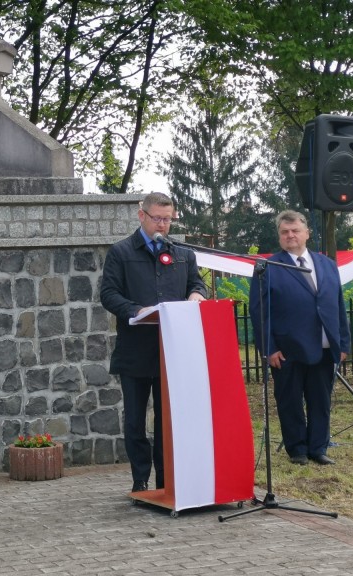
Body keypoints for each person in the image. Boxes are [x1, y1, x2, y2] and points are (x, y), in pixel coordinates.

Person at [100, 192, 207, 492]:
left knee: (167, 421)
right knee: (135, 421)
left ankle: (166, 479)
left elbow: (197, 283)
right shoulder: (121, 252)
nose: (162, 225)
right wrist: (136, 310)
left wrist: (197, 294)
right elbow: (108, 294)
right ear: (142, 215)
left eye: (167, 219)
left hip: (171, 351)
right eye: (157, 218)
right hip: (135, 351)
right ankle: (140, 479)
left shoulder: (183, 254)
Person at [249, 210, 350, 466]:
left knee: (320, 400)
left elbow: (338, 305)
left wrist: (343, 342)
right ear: (279, 236)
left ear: (307, 233)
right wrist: (269, 348)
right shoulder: (268, 267)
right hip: (287, 349)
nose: (290, 235)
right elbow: (259, 311)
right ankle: (297, 450)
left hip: (324, 347)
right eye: (284, 232)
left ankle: (318, 448)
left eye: (295, 230)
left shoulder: (327, 264)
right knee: (290, 401)